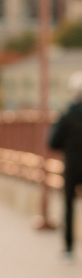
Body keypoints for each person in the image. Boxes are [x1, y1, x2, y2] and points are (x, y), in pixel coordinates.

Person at [49, 71, 82, 259]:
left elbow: (53, 142)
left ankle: (69, 247)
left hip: (72, 164)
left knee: (69, 205)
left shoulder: (67, 115)